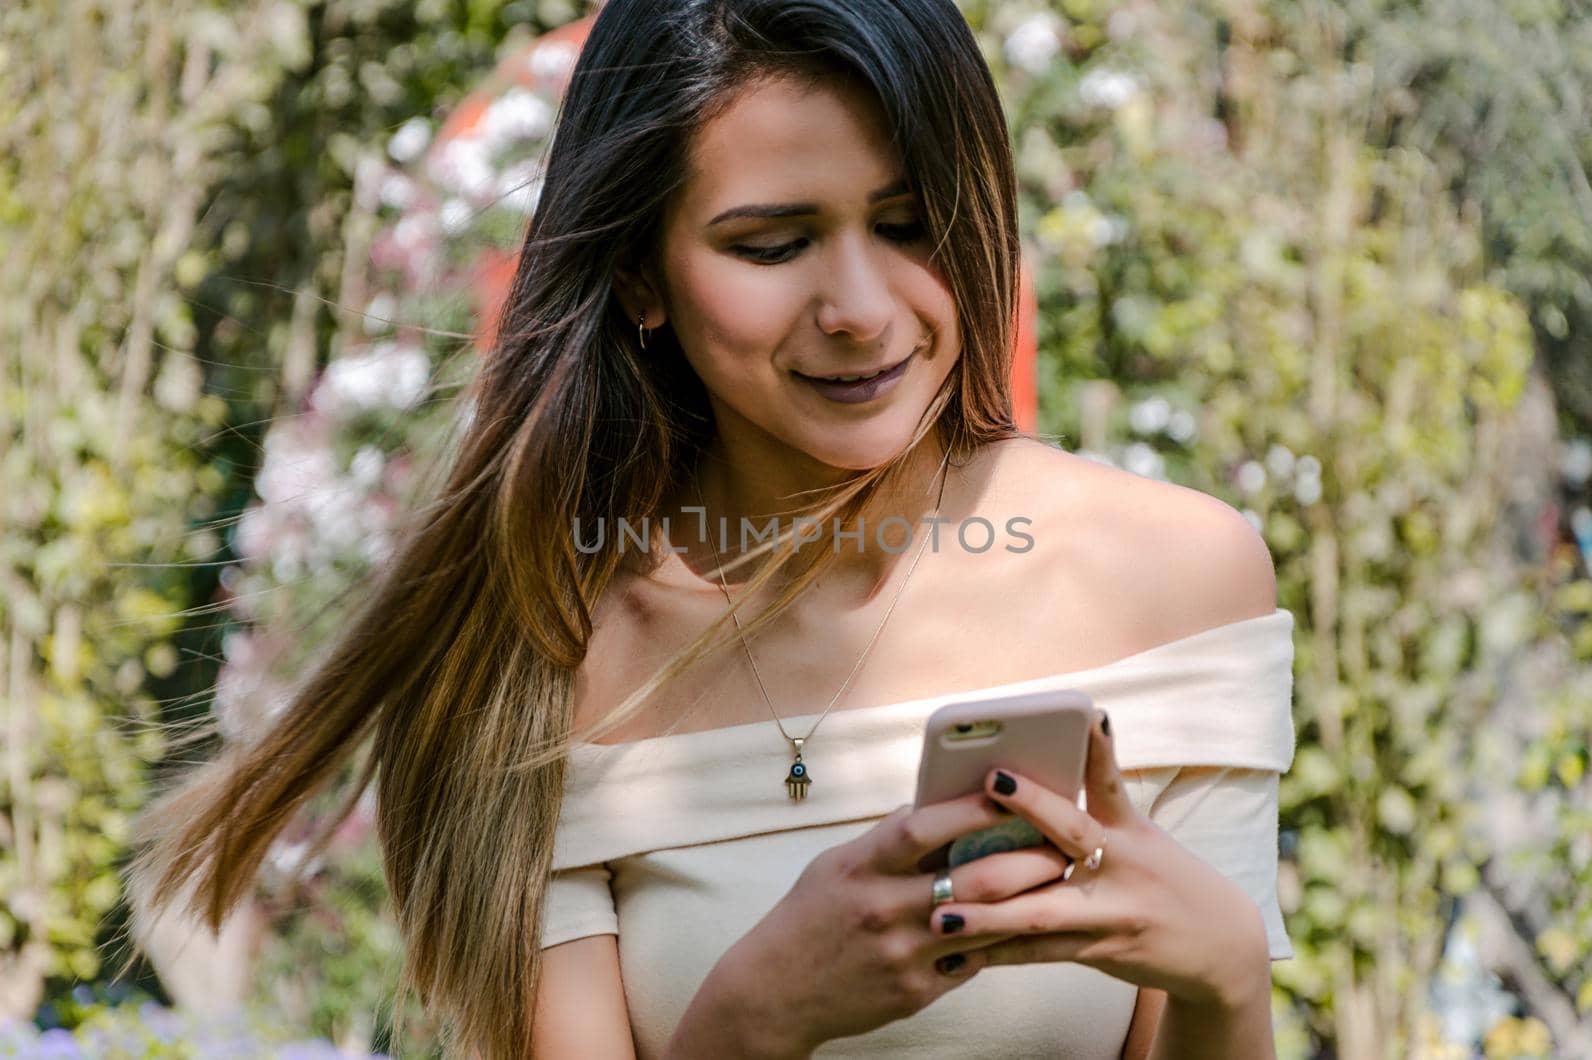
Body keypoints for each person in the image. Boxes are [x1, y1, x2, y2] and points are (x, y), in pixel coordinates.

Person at [124, 0, 1297, 1057]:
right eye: (772, 245)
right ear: (641, 274)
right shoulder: (543, 648)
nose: (861, 309)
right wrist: (754, 1015)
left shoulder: (1177, 579)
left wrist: (1224, 974)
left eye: (909, 222)